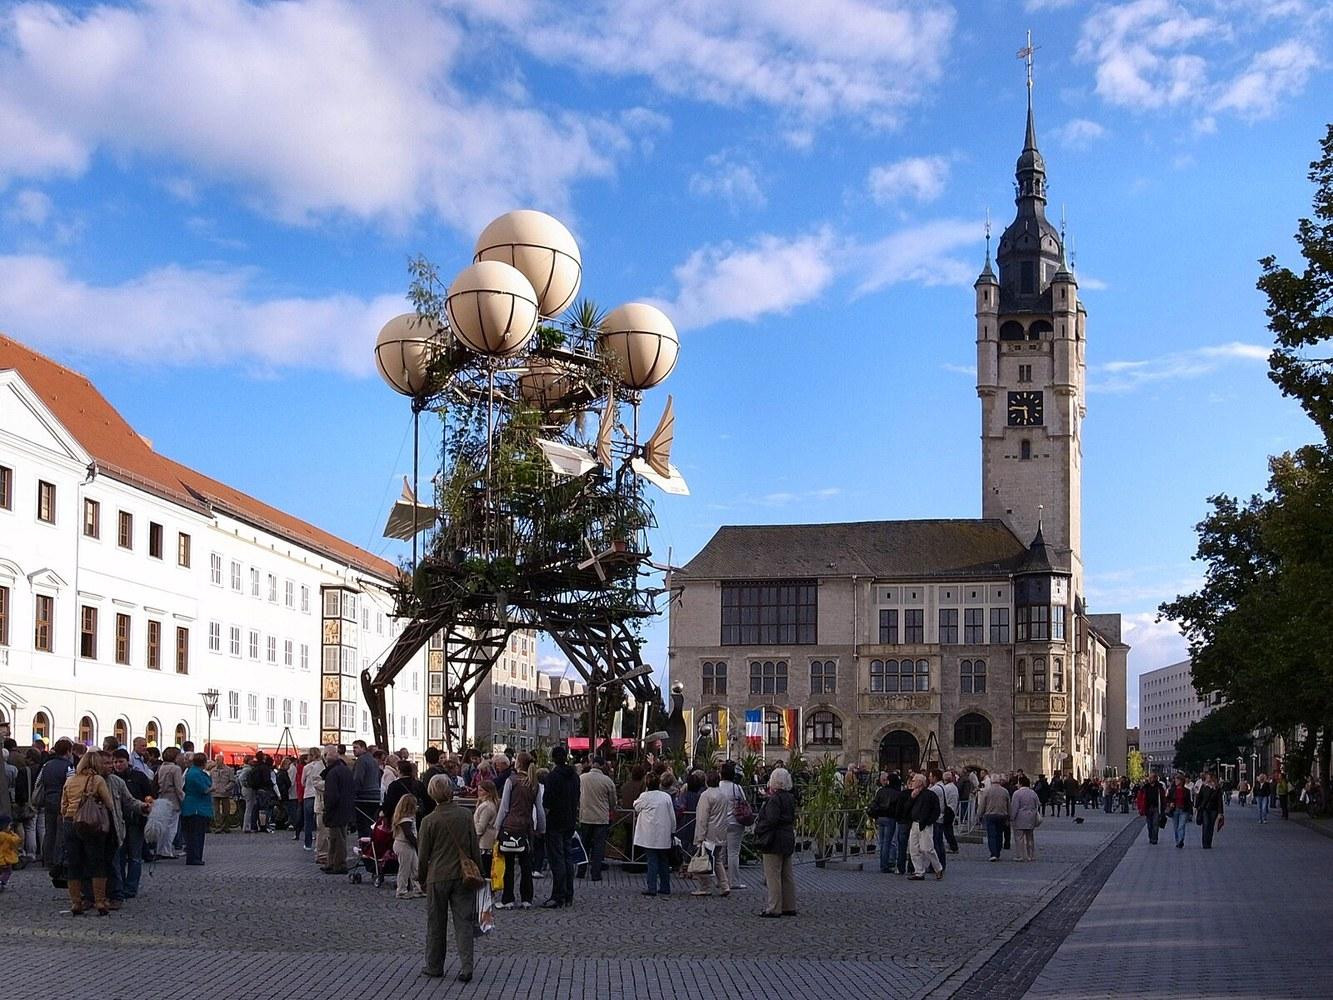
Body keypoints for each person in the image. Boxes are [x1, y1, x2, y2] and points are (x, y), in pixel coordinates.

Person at [417, 775, 481, 983]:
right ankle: (467, 967)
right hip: (463, 875)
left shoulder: (428, 821)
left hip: (437, 876)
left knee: (436, 923)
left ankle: (434, 966)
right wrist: (479, 870)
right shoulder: (465, 815)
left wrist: (421, 878)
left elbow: (423, 854)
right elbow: (474, 846)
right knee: (464, 922)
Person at [60, 750, 117, 915]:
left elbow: (62, 806)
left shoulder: (70, 781)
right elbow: (109, 803)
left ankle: (76, 902)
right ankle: (99, 901)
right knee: (96, 862)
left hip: (71, 823)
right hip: (92, 825)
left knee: (74, 863)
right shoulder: (97, 780)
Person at [495, 752, 545, 909]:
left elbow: (504, 808)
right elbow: (539, 808)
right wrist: (541, 828)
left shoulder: (511, 781)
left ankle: (508, 899)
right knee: (526, 865)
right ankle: (526, 899)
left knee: (509, 865)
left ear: (517, 764)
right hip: (526, 827)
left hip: (510, 826)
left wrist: (497, 827)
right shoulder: (533, 783)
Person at [753, 767, 797, 914]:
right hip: (787, 836)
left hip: (774, 839)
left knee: (773, 875)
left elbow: (771, 820)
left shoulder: (774, 799)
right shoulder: (790, 797)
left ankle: (774, 907)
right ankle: (789, 905)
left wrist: (759, 828)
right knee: (787, 875)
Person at [110, 749, 152, 900]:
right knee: (119, 857)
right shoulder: (111, 778)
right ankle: (119, 886)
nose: (118, 765)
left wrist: (147, 806)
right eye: (115, 762)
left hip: (136, 821)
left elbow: (149, 795)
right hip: (118, 822)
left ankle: (131, 888)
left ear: (127, 762)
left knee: (135, 857)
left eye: (121, 761)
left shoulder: (139, 777)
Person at [541, 745, 580, 909]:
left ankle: (558, 895)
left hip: (555, 822)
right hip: (570, 820)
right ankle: (568, 894)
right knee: (568, 858)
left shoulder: (553, 777)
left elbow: (547, 801)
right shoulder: (575, 777)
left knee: (557, 859)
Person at [632, 772, 676, 897]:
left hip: (649, 834)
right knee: (663, 861)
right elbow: (672, 816)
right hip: (663, 833)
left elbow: (636, 806)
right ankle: (665, 886)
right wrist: (673, 830)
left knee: (652, 861)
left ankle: (652, 887)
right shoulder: (666, 797)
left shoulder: (644, 796)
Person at [690, 770, 732, 897]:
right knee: (717, 860)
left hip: (709, 833)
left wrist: (700, 836)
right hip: (720, 832)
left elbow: (702, 817)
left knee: (704, 860)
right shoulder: (723, 796)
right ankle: (724, 885)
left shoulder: (705, 796)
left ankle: (705, 886)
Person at [36, 737, 74, 867]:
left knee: (49, 831)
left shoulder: (47, 765)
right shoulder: (68, 766)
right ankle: (57, 860)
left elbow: (38, 782)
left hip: (48, 800)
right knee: (60, 832)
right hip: (62, 801)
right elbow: (70, 786)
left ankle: (47, 859)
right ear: (68, 751)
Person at [578, 757, 616, 881]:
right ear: (602, 765)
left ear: (592, 764)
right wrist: (611, 809)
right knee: (599, 847)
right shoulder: (607, 781)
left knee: (584, 845)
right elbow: (612, 801)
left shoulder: (582, 778)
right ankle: (596, 873)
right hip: (601, 818)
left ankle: (581, 871)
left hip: (585, 816)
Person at [320, 744, 354, 874]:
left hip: (336, 810)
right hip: (345, 808)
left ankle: (338, 864)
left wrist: (327, 810)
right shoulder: (345, 769)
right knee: (338, 837)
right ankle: (332, 862)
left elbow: (331, 795)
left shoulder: (333, 773)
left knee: (336, 838)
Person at [905, 773, 944, 881]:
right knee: (913, 849)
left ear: (920, 782)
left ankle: (938, 868)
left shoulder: (930, 795)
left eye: (914, 780)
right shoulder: (913, 794)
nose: (912, 782)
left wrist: (929, 821)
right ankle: (919, 872)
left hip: (925, 824)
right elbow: (906, 808)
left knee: (927, 848)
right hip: (914, 823)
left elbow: (936, 810)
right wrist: (912, 798)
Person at [718, 761, 748, 889]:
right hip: (735, 822)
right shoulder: (736, 788)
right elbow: (744, 801)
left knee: (720, 854)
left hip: (720, 822)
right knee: (733, 853)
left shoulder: (717, 786)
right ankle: (734, 881)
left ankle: (721, 881)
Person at [180, 753, 213, 865]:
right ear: (203, 763)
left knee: (193, 834)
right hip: (197, 808)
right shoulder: (196, 774)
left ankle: (194, 857)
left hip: (192, 806)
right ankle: (194, 857)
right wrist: (213, 788)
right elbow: (204, 789)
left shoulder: (191, 772)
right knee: (196, 835)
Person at [153, 747, 185, 859]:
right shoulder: (176, 769)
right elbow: (178, 788)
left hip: (162, 798)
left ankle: (160, 849)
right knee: (172, 827)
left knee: (164, 825)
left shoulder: (161, 767)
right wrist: (183, 800)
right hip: (173, 799)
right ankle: (166, 850)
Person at [392, 793, 425, 899]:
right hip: (404, 845)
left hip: (406, 845)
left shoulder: (407, 818)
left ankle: (418, 889)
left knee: (415, 867)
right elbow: (409, 835)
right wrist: (417, 844)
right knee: (405, 868)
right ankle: (401, 890)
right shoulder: (405, 820)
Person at [869, 771, 901, 874]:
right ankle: (885, 864)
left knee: (882, 842)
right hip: (890, 818)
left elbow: (875, 802)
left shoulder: (881, 791)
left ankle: (883, 863)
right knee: (888, 841)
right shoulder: (897, 793)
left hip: (880, 817)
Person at [977, 772, 1011, 862]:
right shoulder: (1005, 791)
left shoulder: (987, 791)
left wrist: (979, 815)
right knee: (999, 834)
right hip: (1002, 815)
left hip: (990, 815)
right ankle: (998, 852)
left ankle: (993, 853)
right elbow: (1008, 805)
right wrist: (1009, 816)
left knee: (991, 835)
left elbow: (982, 804)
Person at [1010, 774, 1041, 862]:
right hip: (1031, 817)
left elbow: (1015, 807)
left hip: (1020, 817)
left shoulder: (1017, 793)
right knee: (1030, 837)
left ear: (1020, 783)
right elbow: (1038, 804)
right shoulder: (1033, 793)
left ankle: (1020, 856)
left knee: (1019, 838)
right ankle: (1030, 855)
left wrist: (1012, 817)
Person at [473, 779, 500, 879]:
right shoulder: (487, 805)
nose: (478, 792)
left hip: (484, 843)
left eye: (481, 790)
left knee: (484, 871)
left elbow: (480, 827)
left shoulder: (486, 807)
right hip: (486, 842)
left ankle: (485, 893)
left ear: (488, 792)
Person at [300, 746, 323, 852]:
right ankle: (319, 844)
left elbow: (302, 782)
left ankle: (308, 844)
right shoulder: (323, 766)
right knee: (319, 822)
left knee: (308, 821)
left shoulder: (307, 767)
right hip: (319, 795)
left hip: (308, 795)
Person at [208, 755, 237, 834]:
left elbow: (232, 781)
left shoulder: (229, 770)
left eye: (218, 760)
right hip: (215, 792)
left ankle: (225, 826)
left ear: (222, 760)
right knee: (216, 811)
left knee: (226, 811)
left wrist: (227, 788)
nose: (217, 762)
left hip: (225, 793)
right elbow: (209, 781)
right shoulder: (213, 770)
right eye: (216, 760)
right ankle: (218, 826)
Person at [1196, 771, 1224, 849]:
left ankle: (1209, 842)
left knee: (1211, 826)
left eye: (1208, 777)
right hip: (1205, 809)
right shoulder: (1204, 786)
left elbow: (1219, 801)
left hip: (1213, 809)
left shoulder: (1217, 788)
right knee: (1206, 825)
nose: (1207, 779)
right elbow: (1199, 797)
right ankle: (1204, 843)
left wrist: (1220, 812)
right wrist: (1196, 807)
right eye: (1206, 777)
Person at [1139, 772, 1168, 846]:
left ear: (1155, 778)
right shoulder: (1146, 787)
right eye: (1149, 777)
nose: (1150, 779)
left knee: (1155, 824)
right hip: (1148, 807)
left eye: (1151, 777)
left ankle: (1154, 839)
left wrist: (1163, 808)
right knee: (1149, 825)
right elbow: (1140, 797)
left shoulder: (1159, 787)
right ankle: (1150, 836)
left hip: (1156, 807)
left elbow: (1163, 798)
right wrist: (1141, 807)